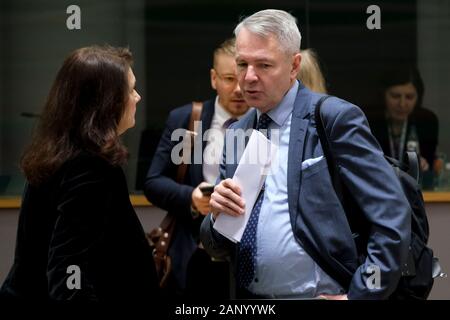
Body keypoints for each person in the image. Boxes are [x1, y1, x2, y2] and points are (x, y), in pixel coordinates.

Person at [200, 9, 411, 300]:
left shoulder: (334, 118)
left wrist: (361, 296)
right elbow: (216, 245)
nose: (248, 78)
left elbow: (391, 216)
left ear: (294, 65)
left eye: (264, 65)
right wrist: (215, 216)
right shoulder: (239, 130)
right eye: (242, 64)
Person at [0, 46, 159, 301]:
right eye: (130, 90)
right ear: (107, 101)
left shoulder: (58, 151)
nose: (137, 97)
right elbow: (68, 274)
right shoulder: (90, 166)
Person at [144, 38, 250, 298]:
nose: (237, 89)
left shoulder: (267, 122)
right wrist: (191, 198)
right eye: (228, 79)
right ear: (214, 79)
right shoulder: (189, 121)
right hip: (195, 255)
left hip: (250, 259)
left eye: (242, 79)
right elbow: (154, 181)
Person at [367, 66, 438, 182]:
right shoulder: (370, 120)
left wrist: (425, 164)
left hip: (415, 188)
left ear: (418, 98)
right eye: (395, 96)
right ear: (383, 95)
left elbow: (430, 163)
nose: (402, 104)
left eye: (409, 97)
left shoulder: (427, 121)